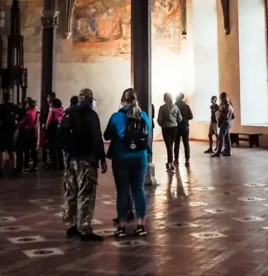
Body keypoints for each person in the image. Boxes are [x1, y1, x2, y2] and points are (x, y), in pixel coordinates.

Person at [61, 88, 108, 241]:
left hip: (70, 161)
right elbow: (97, 138)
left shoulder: (68, 113)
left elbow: (60, 137)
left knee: (71, 193)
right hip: (87, 160)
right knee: (86, 193)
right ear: (90, 99)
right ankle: (84, 228)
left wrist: (66, 154)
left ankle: (71, 224)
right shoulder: (91, 115)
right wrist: (102, 159)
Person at [105, 88, 152, 238]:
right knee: (138, 190)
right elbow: (148, 132)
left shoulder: (117, 116)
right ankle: (141, 226)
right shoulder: (143, 115)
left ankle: (122, 227)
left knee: (123, 191)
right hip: (140, 158)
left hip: (121, 159)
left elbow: (106, 135)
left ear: (122, 100)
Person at [0, 97, 20, 176]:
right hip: (11, 131)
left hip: (2, 131)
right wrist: (15, 123)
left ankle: (0, 169)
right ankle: (14, 168)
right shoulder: (13, 106)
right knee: (12, 150)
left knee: (1, 150)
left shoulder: (0, 107)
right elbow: (22, 113)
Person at [157, 93, 182, 172]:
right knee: (171, 145)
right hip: (174, 128)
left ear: (165, 99)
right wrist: (175, 122)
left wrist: (162, 124)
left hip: (166, 128)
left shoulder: (162, 108)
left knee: (168, 146)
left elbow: (159, 120)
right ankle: (170, 162)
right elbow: (180, 118)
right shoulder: (176, 107)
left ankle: (170, 164)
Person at [18, 97, 40, 172]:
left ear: (28, 104)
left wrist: (17, 123)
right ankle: (35, 165)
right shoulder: (35, 111)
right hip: (34, 131)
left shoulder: (28, 112)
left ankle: (26, 166)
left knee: (27, 149)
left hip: (28, 132)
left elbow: (23, 122)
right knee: (33, 149)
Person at [174, 93, 193, 167]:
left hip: (176, 126)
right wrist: (185, 118)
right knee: (186, 143)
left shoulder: (174, 106)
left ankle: (176, 160)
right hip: (185, 126)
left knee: (176, 144)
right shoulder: (186, 106)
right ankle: (187, 160)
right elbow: (191, 116)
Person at [45, 98, 65, 169]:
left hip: (53, 132)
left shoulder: (52, 112)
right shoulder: (62, 111)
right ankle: (61, 164)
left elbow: (48, 123)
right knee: (59, 149)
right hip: (60, 131)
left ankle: (54, 164)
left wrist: (46, 129)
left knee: (52, 149)